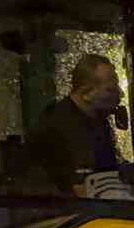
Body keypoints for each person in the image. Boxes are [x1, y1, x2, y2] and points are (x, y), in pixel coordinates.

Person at [24, 53, 123, 194]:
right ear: (86, 93)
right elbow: (81, 191)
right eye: (110, 90)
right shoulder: (57, 127)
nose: (120, 94)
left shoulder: (99, 122)